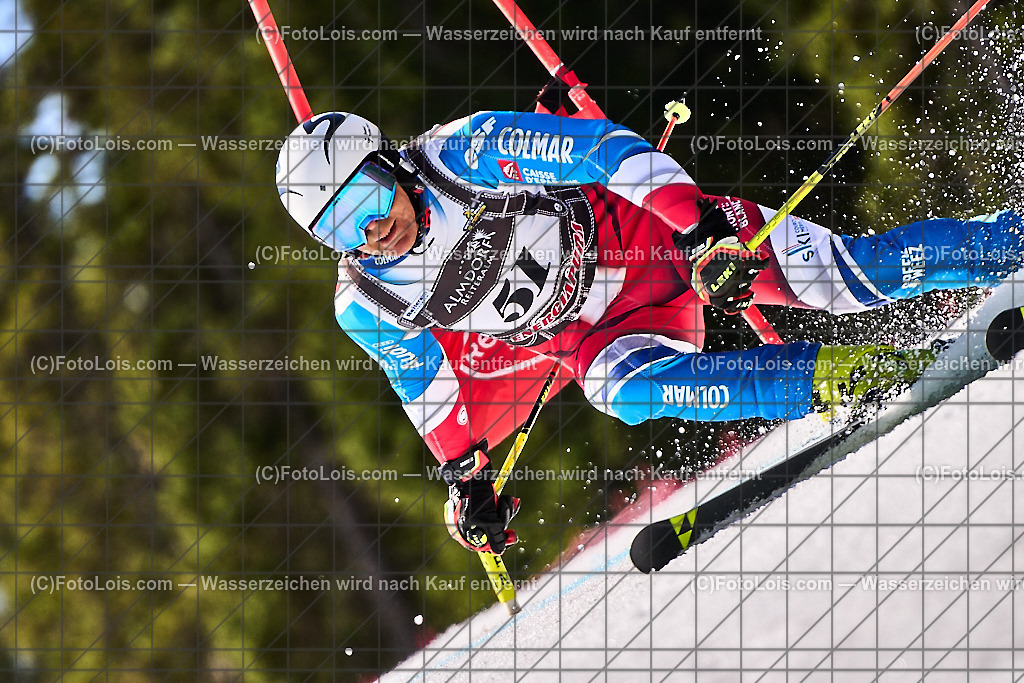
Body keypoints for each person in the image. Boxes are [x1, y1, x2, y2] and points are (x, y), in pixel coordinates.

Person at [274, 110, 1024, 555]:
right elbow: (423, 381)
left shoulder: (465, 151)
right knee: (617, 389)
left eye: (367, 199)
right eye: (338, 227)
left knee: (848, 279)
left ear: (390, 165)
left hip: (663, 242)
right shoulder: (365, 301)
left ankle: (1008, 242)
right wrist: (466, 480)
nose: (370, 231)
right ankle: (845, 376)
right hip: (601, 336)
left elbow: (608, 149)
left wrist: (699, 230)